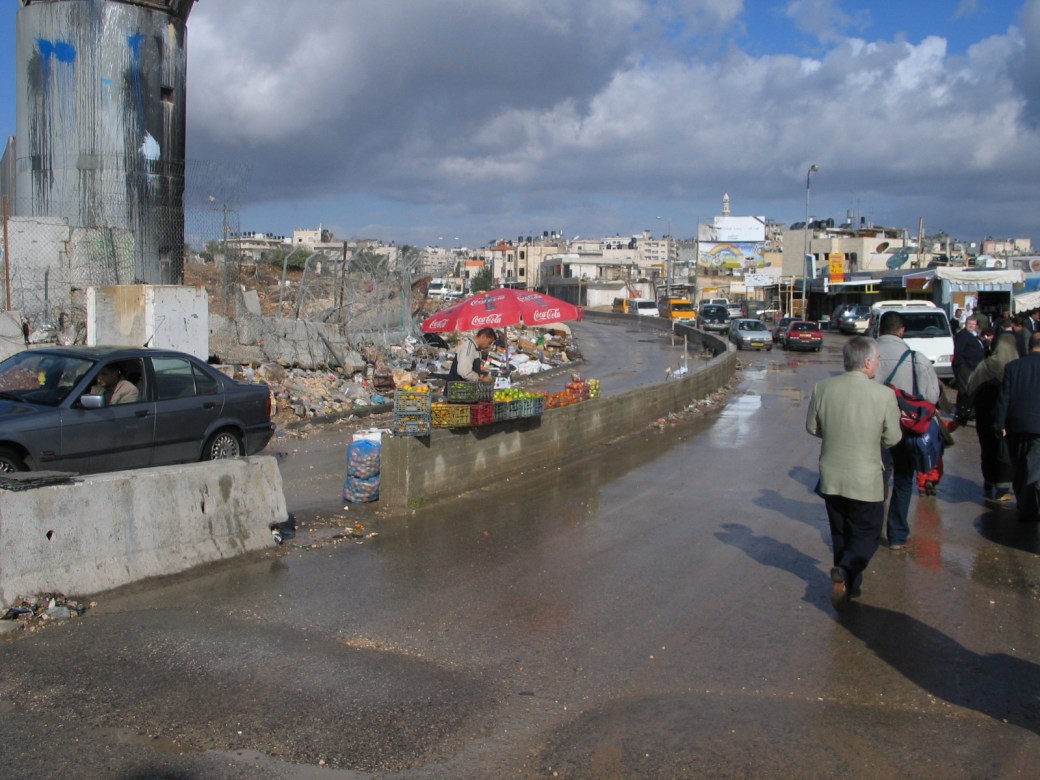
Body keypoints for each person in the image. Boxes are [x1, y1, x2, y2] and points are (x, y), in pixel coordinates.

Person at [807, 336, 902, 609]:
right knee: (867, 534)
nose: (878, 365)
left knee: (840, 533)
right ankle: (848, 572)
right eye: (878, 361)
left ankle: (848, 586)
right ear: (868, 362)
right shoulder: (884, 395)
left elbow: (813, 428)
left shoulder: (823, 388)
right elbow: (893, 437)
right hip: (865, 478)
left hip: (831, 477)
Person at [874, 311, 941, 551]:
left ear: (880, 329)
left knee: (875, 482)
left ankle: (871, 531)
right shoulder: (916, 359)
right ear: (902, 331)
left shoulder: (869, 356)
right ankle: (897, 536)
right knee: (903, 481)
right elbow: (932, 396)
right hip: (907, 430)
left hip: (875, 431)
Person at [967, 331, 1019, 502]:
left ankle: (989, 481)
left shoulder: (986, 365)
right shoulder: (1017, 366)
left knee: (987, 448)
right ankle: (1003, 486)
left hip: (985, 414)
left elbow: (970, 387)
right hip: (1009, 416)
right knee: (1005, 450)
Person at [993, 332, 1040, 522]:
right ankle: (1028, 510)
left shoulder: (1013, 367)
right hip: (1038, 427)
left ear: (1029, 346)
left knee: (1020, 466)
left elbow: (1004, 399)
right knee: (1034, 469)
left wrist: (1000, 424)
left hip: (1016, 425)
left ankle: (1023, 503)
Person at [952, 314, 986, 424]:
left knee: (967, 389)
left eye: (973, 324)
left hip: (974, 366)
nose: (971, 326)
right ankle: (964, 411)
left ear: (976, 325)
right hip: (965, 366)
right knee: (965, 389)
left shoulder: (974, 335)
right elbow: (959, 351)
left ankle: (963, 409)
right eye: (969, 324)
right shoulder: (962, 335)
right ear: (965, 324)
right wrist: (961, 365)